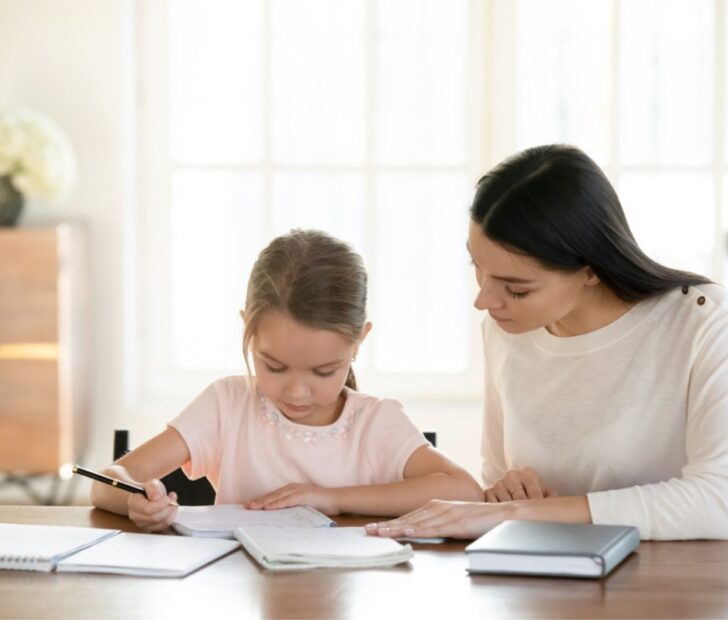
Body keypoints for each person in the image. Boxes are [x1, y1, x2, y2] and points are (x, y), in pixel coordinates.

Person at [366, 144, 728, 541]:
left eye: (516, 289)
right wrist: (507, 492)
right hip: (543, 580)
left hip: (674, 586)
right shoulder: (507, 330)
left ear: (590, 271)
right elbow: (497, 480)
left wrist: (528, 510)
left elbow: (718, 500)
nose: (483, 301)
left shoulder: (703, 323)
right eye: (478, 267)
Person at [91, 229, 482, 531]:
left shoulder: (375, 423)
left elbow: (465, 491)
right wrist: (134, 500)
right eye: (274, 367)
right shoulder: (227, 404)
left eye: (324, 371)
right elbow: (105, 482)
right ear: (248, 328)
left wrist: (333, 499)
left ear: (359, 341)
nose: (296, 391)